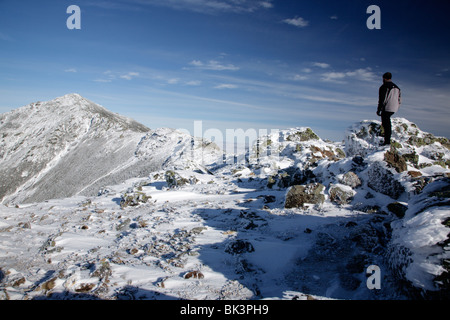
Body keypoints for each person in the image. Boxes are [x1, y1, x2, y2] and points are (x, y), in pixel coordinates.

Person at [377, 72, 401, 145]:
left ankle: (387, 141)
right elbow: (399, 99)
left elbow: (382, 99)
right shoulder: (397, 87)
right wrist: (397, 106)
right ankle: (386, 136)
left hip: (387, 107)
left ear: (384, 78)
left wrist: (379, 109)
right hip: (394, 107)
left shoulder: (384, 87)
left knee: (386, 123)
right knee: (386, 121)